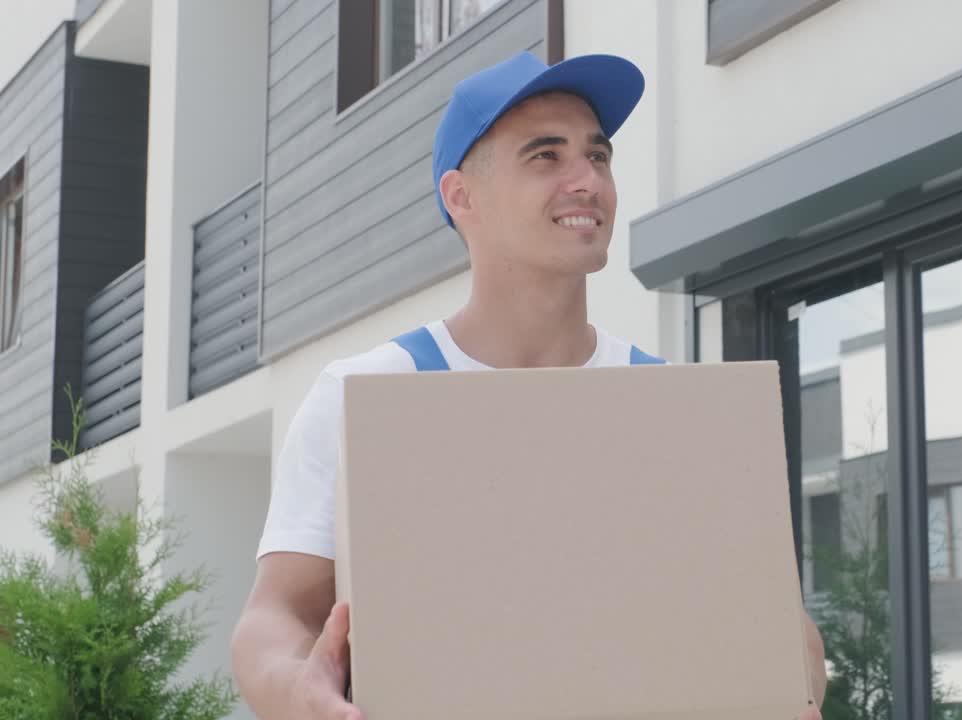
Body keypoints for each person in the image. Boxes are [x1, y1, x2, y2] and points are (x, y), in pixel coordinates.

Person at [230, 51, 827, 720]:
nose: (588, 181)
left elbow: (777, 623)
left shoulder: (673, 408)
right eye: (546, 156)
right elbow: (276, 614)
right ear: (462, 196)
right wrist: (297, 692)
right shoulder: (364, 395)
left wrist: (794, 686)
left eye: (597, 156)